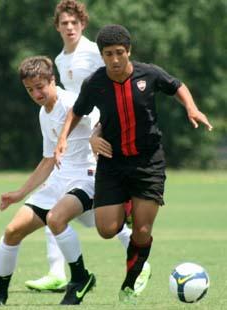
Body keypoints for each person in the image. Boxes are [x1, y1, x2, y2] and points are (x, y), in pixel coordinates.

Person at [54, 24, 213, 304]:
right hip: (113, 164)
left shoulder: (148, 74)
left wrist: (191, 106)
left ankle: (130, 282)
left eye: (119, 53)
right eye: (108, 54)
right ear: (101, 55)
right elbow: (77, 112)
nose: (114, 60)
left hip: (148, 162)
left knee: (141, 231)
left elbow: (177, 86)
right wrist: (62, 139)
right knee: (105, 229)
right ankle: (127, 204)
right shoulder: (95, 83)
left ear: (129, 51)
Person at [25, 0, 151, 295]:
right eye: (64, 23)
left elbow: (116, 88)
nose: (69, 27)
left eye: (74, 22)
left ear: (83, 24)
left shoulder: (95, 52)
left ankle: (138, 260)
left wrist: (100, 130)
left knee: (99, 212)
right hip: (79, 139)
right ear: (56, 27)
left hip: (102, 138)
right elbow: (74, 104)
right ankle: (57, 272)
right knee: (56, 200)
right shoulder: (60, 59)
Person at [0, 56, 98, 306]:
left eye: (40, 87)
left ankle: (80, 279)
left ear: (52, 80)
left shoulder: (73, 102)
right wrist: (19, 193)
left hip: (86, 176)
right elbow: (48, 160)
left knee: (56, 219)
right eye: (29, 89)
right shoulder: (43, 113)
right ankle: (0, 294)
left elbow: (103, 121)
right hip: (59, 179)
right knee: (12, 231)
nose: (36, 93)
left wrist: (99, 139)